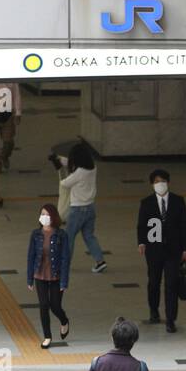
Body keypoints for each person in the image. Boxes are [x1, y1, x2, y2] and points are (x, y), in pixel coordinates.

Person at [136, 167, 186, 333]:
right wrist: (141, 242)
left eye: (163, 181)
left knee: (171, 283)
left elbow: (183, 225)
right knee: (154, 282)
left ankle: (171, 319)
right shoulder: (147, 203)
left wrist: (185, 248)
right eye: (157, 182)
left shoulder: (178, 201)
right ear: (152, 184)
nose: (160, 184)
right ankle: (154, 311)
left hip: (174, 249)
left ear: (168, 183)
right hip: (154, 248)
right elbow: (141, 225)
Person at [56, 141, 106, 271]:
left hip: (77, 210)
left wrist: (58, 167)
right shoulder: (92, 167)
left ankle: (65, 264)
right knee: (89, 236)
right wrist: (60, 159)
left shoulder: (79, 173)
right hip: (90, 208)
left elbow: (65, 183)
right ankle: (100, 261)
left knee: (69, 237)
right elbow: (72, 163)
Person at [26, 202, 70, 349]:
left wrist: (64, 281)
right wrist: (29, 278)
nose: (44, 217)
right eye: (42, 214)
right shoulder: (35, 234)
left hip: (56, 276)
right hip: (40, 275)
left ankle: (64, 321)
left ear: (54, 217)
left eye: (47, 215)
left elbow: (65, 259)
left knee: (55, 306)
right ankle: (47, 336)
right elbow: (31, 256)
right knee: (44, 305)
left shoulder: (61, 235)